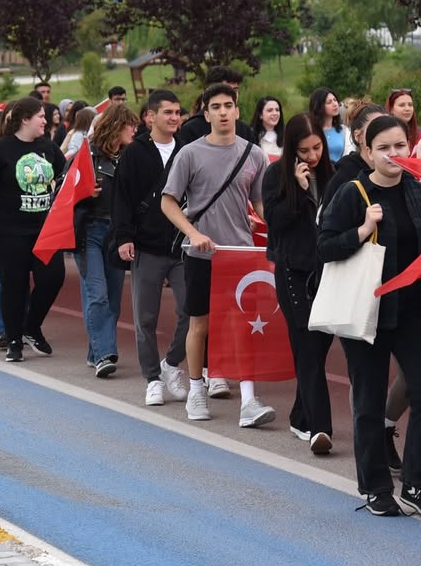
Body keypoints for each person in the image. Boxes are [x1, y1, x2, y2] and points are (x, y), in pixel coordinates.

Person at [317, 114, 421, 518]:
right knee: (369, 402)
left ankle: (416, 484)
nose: (394, 154)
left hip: (414, 312)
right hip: (367, 312)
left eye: (400, 145)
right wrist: (361, 230)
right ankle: (376, 487)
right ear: (367, 152)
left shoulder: (416, 191)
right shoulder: (351, 193)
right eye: (384, 148)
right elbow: (324, 246)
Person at [160, 82, 274, 428]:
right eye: (216, 107)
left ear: (238, 111)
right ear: (206, 113)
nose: (223, 112)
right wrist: (194, 234)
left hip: (239, 254)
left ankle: (250, 400)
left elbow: (258, 202)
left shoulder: (254, 154)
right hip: (200, 256)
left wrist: (274, 227)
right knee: (200, 324)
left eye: (229, 105)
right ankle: (197, 390)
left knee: (243, 326)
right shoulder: (190, 153)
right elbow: (168, 201)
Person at [0, 97, 67, 363]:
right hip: (7, 230)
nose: (46, 120)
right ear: (25, 119)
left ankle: (31, 327)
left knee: (52, 277)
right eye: (41, 116)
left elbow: (62, 176)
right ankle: (14, 340)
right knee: (13, 285)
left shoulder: (48, 147)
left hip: (43, 230)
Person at [263, 113, 335, 455]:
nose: (312, 156)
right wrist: (298, 191)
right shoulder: (276, 174)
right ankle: (321, 428)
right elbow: (274, 224)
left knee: (318, 347)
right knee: (307, 348)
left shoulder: (331, 173)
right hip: (293, 271)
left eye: (317, 147)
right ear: (291, 149)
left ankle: (299, 413)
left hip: (328, 272)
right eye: (304, 150)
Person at [113, 89, 190, 406]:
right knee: (145, 317)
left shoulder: (187, 150)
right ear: (150, 117)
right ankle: (152, 379)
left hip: (182, 246)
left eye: (177, 112)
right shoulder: (134, 153)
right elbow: (121, 199)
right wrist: (123, 237)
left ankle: (171, 363)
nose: (174, 117)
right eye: (168, 112)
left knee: (192, 312)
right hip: (145, 246)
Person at [74, 101, 140, 377]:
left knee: (112, 299)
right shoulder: (85, 156)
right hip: (89, 231)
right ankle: (104, 354)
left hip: (116, 235)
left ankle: (95, 351)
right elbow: (62, 196)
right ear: (116, 125)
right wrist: (85, 193)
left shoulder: (129, 158)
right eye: (131, 125)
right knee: (97, 293)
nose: (135, 130)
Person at [176, 67, 256, 146]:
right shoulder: (190, 130)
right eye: (226, 90)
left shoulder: (245, 130)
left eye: (235, 90)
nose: (232, 94)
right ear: (209, 91)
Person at [309, 88, 346, 164]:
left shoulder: (343, 130)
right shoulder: (311, 130)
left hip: (339, 172)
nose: (335, 104)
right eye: (329, 102)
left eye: (335, 100)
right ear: (319, 106)